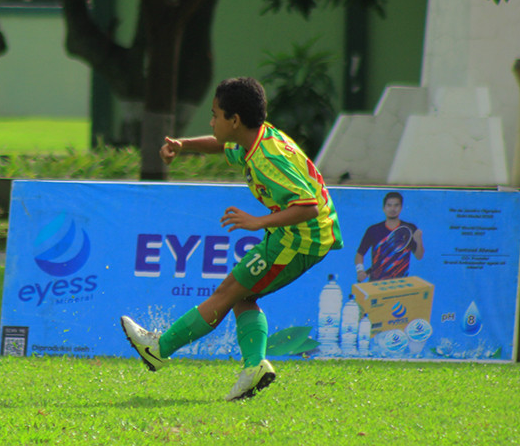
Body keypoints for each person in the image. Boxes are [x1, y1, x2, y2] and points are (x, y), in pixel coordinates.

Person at [120, 77, 343, 400]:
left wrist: (258, 222)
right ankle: (254, 367)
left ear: (234, 120)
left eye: (215, 115)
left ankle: (159, 349)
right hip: (293, 235)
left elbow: (307, 206)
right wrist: (183, 145)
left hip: (301, 240)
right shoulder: (254, 140)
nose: (211, 122)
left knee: (229, 292)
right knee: (241, 296)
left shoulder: (267, 159)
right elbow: (221, 144)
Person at [355, 191, 424, 282]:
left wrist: (419, 240)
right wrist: (360, 271)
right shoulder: (373, 230)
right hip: (376, 283)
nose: (392, 209)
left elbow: (419, 256)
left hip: (401, 283)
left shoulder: (409, 229)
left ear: (401, 208)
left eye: (396, 205)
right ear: (384, 208)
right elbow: (360, 254)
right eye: (389, 205)